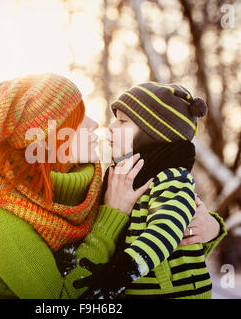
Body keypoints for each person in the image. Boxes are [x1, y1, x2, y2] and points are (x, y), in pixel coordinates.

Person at [0, 73, 223, 299]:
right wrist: (113, 215)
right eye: (78, 119)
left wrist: (209, 230)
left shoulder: (92, 184)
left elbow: (160, 252)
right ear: (48, 139)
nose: (95, 123)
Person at [73, 82, 227, 299]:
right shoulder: (120, 176)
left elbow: (165, 231)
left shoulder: (172, 180)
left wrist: (119, 274)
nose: (111, 127)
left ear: (152, 134)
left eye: (123, 121)